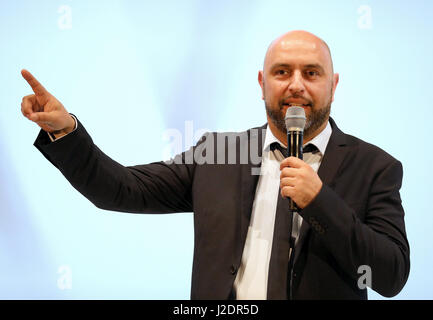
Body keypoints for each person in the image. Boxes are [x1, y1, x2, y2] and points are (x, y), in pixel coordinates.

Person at [20, 30, 410, 300]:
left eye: (311, 73)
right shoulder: (218, 153)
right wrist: (66, 130)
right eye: (282, 72)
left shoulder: (375, 167)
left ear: (333, 84)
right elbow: (120, 188)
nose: (296, 85)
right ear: (261, 82)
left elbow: (391, 275)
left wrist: (320, 201)